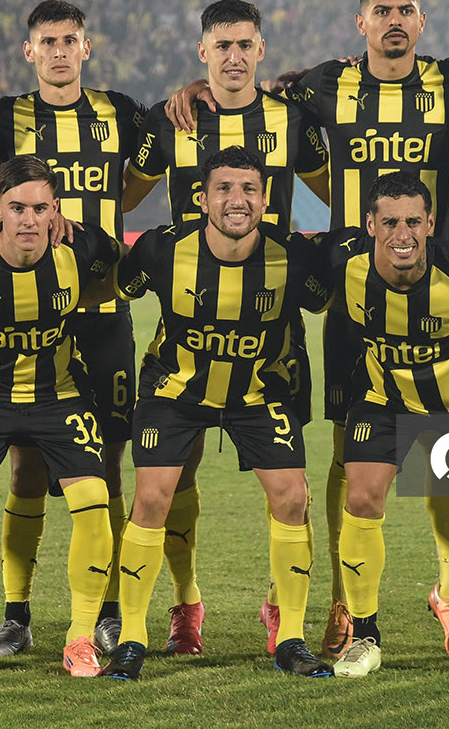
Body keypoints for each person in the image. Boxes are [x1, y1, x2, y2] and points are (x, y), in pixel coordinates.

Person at [166, 0, 449, 660]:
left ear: (422, 20)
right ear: (359, 22)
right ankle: (343, 602)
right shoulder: (324, 85)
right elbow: (248, 93)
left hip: (443, 294)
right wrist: (193, 89)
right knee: (351, 453)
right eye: (381, 11)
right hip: (352, 294)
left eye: (407, 10)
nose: (395, 20)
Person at [122, 0, 329, 655]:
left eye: (245, 44)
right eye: (222, 45)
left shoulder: (293, 121)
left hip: (268, 335)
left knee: (290, 490)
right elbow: (120, 195)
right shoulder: (169, 119)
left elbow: (339, 190)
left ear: (261, 52)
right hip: (184, 335)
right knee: (168, 483)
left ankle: (282, 610)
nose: (234, 56)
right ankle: (186, 605)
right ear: (203, 52)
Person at [102, 146, 333, 680]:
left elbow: (324, 302)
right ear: (201, 198)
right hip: (176, 390)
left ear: (266, 198)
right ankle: (133, 640)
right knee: (152, 497)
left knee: (293, 497)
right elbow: (119, 286)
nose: (238, 199)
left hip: (259, 392)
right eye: (225, 188)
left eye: (250, 189)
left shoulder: (292, 255)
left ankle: (290, 638)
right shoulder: (163, 249)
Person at [0, 0, 145, 657]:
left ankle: (106, 609)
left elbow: (146, 173)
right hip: (26, 321)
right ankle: (16, 615)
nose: (60, 51)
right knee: (26, 465)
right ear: (29, 51)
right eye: (48, 41)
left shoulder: (121, 113)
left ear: (87, 46)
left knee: (106, 470)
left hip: (102, 319)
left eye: (70, 39)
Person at [321, 171, 449, 681]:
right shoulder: (341, 260)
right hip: (383, 401)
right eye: (390, 222)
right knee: (361, 498)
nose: (403, 234)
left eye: (414, 221)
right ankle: (364, 636)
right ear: (370, 224)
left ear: (431, 223)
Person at [0, 155, 123, 679]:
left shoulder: (83, 247)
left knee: (94, 501)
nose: (29, 220)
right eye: (16, 208)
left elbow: (116, 275)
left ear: (55, 209)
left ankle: (81, 640)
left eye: (40, 208)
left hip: (59, 392)